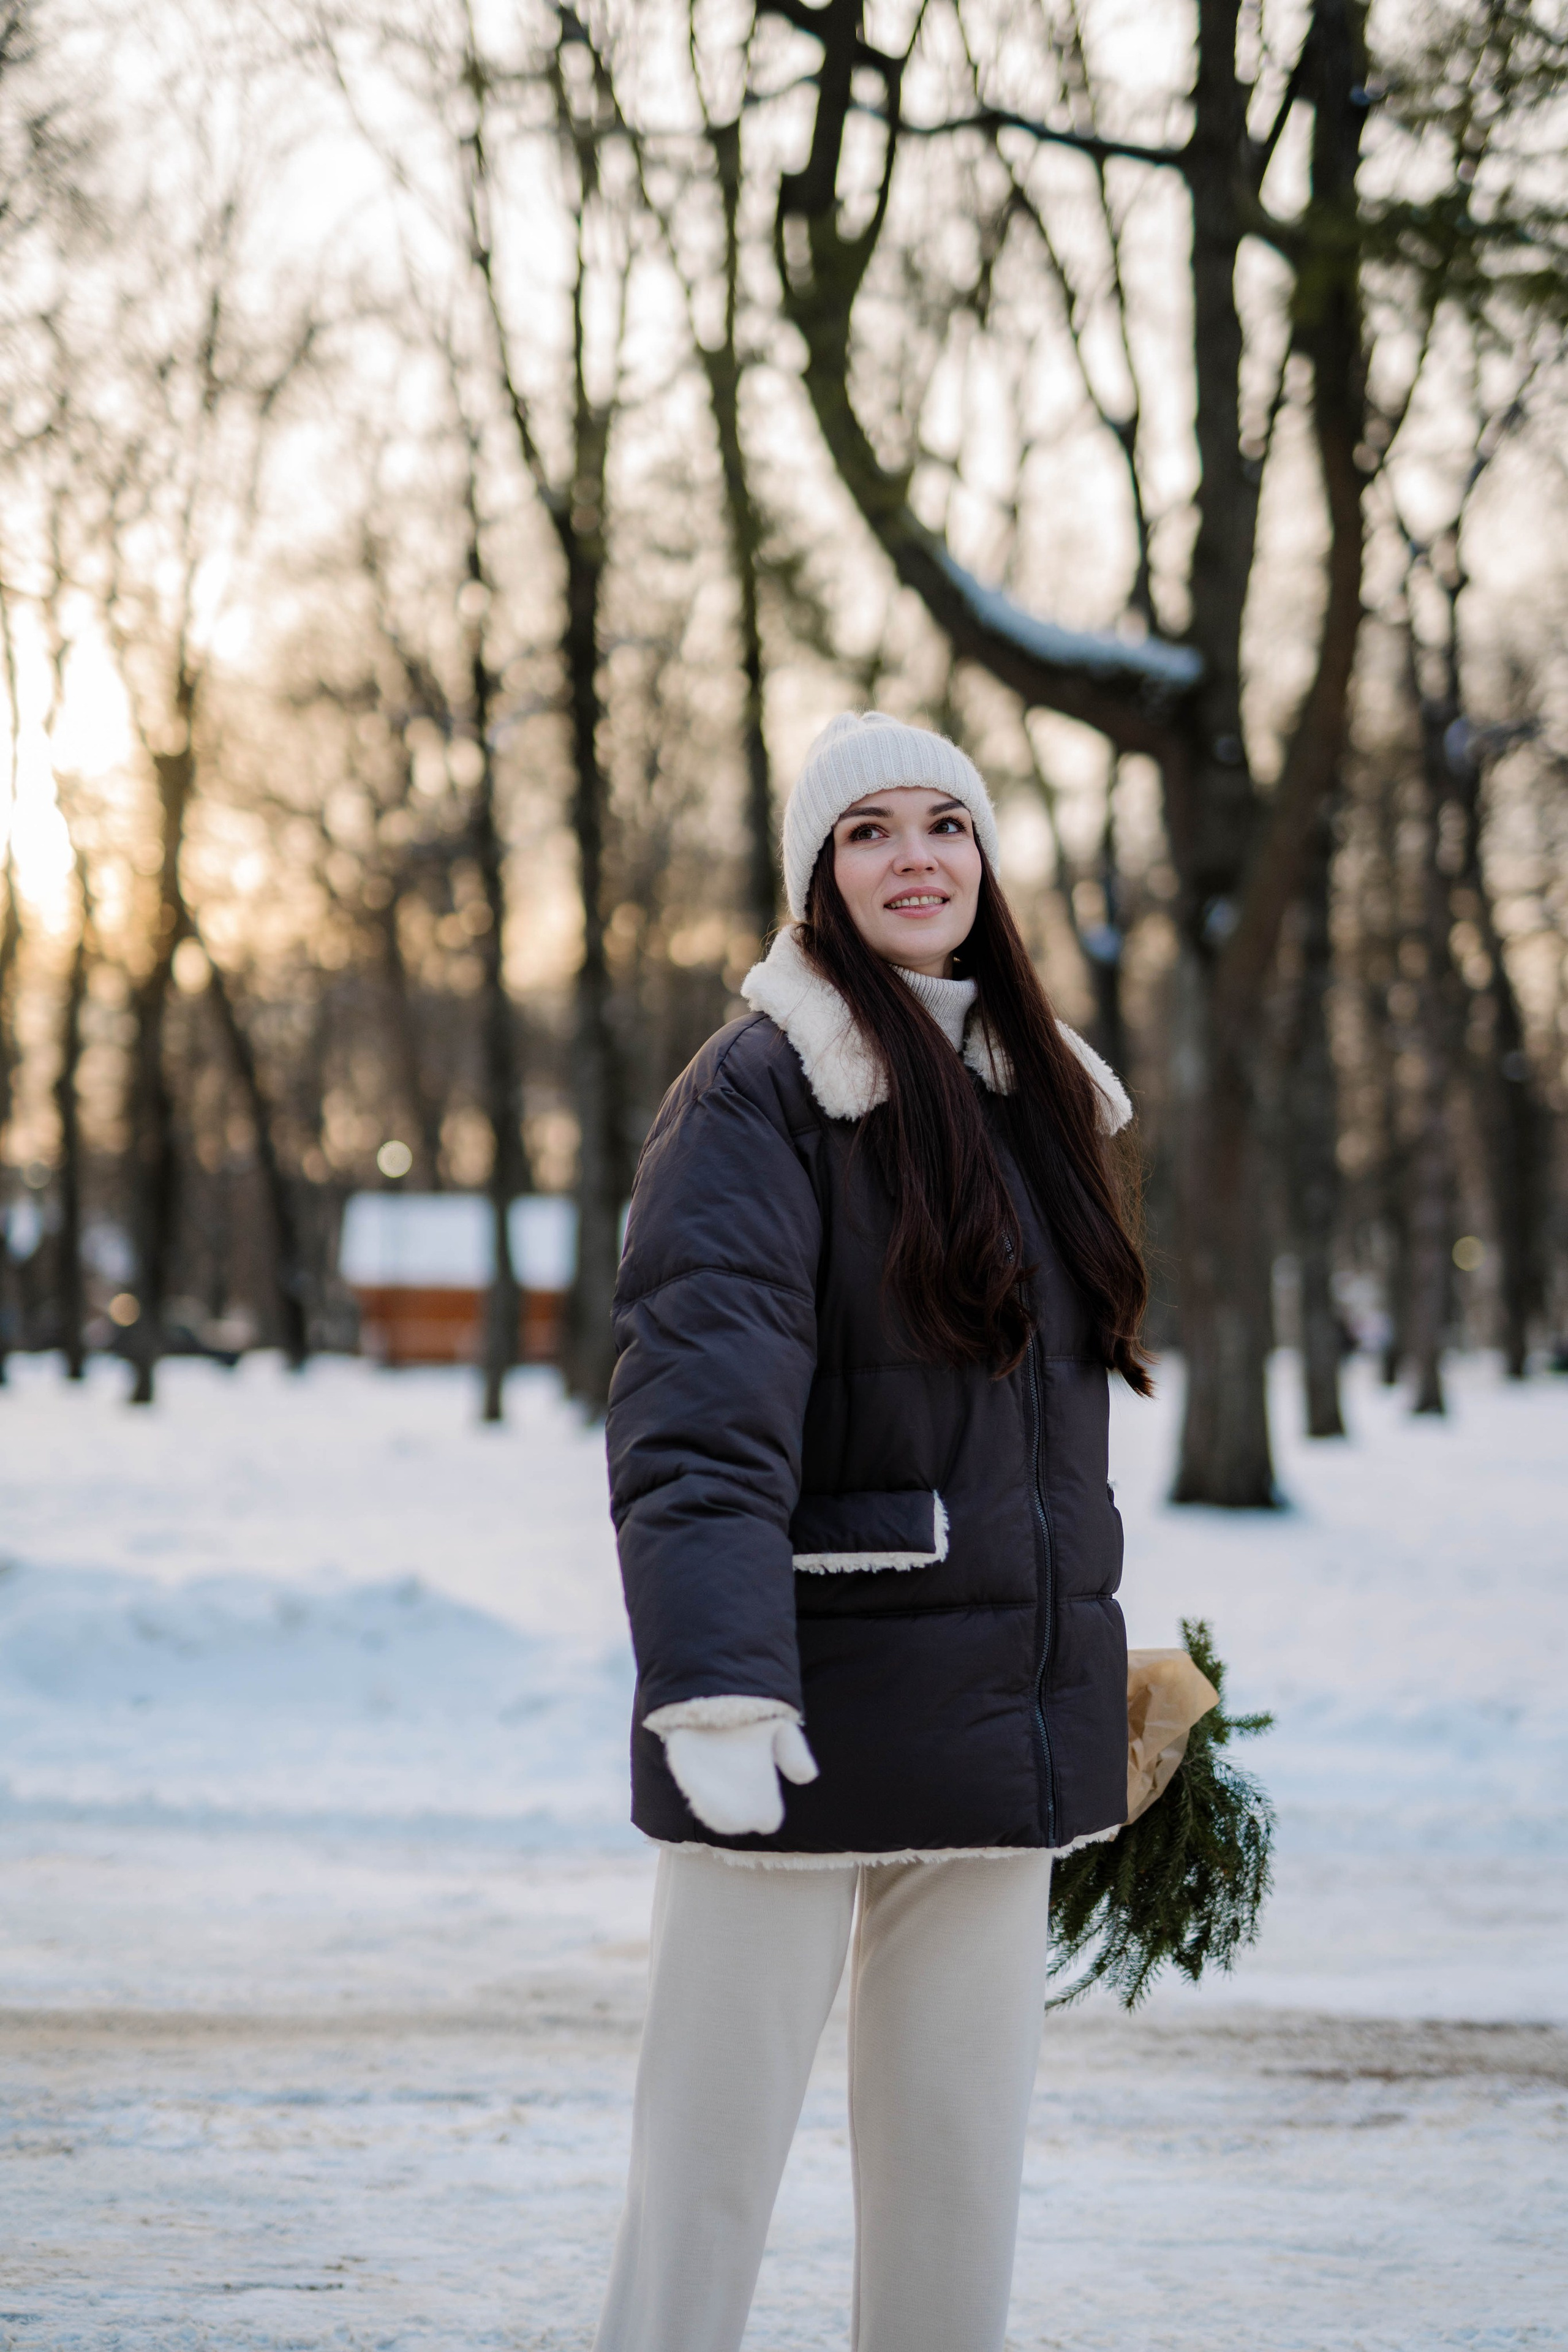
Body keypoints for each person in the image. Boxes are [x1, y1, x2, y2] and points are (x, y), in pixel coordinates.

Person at [594, 710, 1151, 2352]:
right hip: (793, 1710)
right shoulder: (761, 1090)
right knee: (705, 2182)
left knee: (958, 2184)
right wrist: (714, 1681)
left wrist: (1098, 1670)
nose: (916, 858)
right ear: (818, 880)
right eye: (868, 832)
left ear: (986, 858)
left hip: (986, 1729)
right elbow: (697, 1413)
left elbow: (1028, 1446)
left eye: (946, 825)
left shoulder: (1041, 1094)